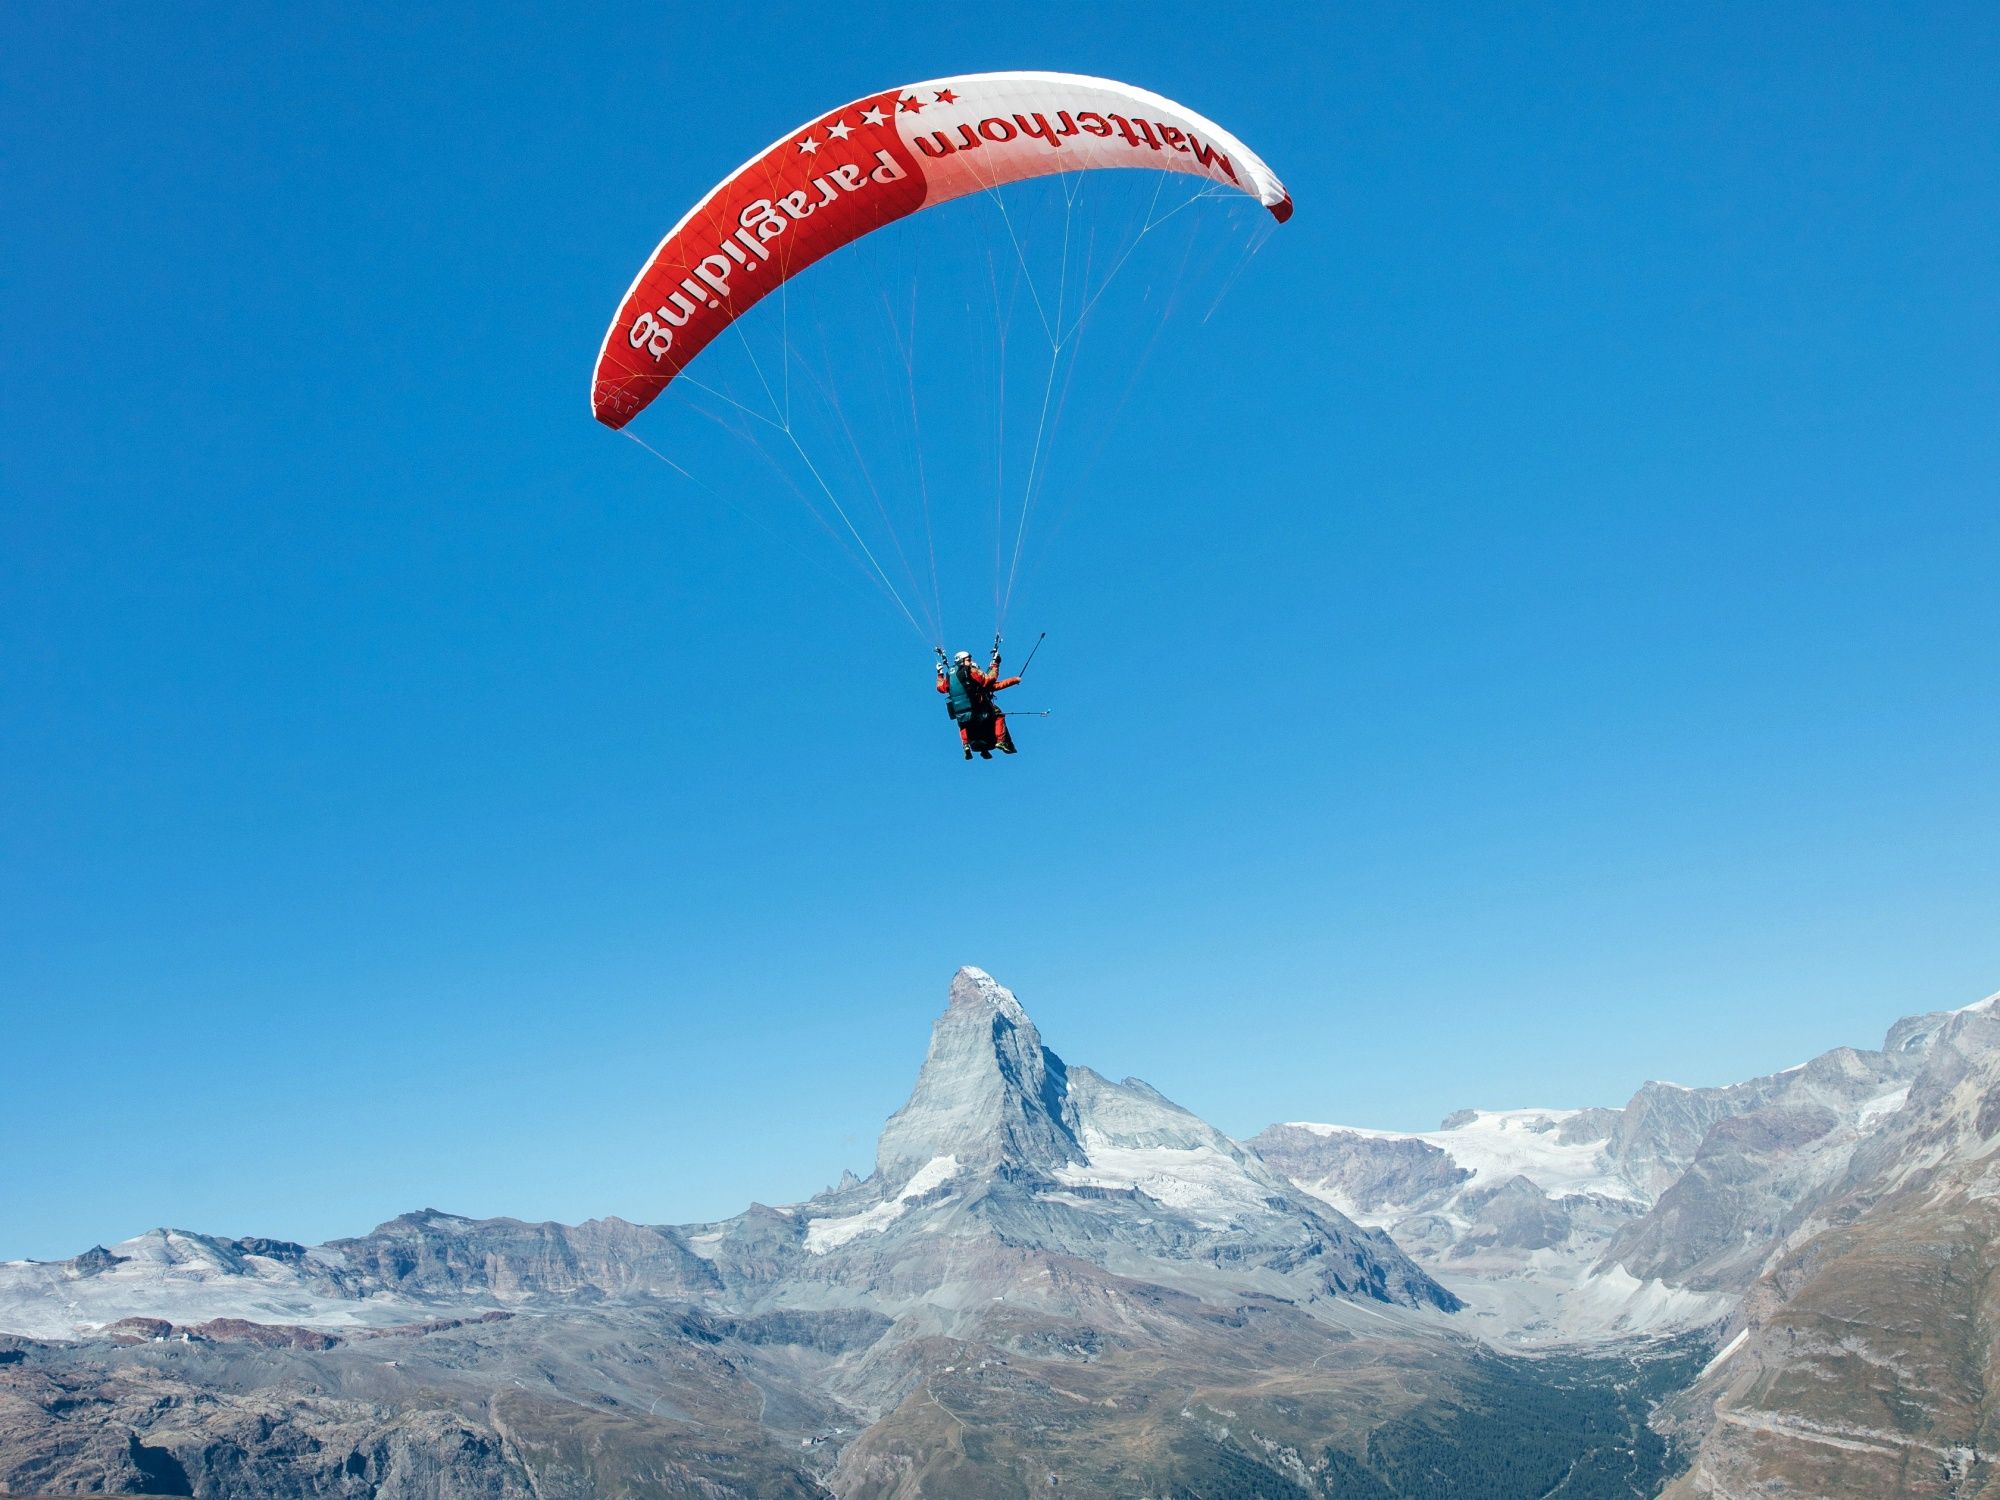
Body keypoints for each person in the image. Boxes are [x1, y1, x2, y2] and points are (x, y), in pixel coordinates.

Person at [937, 648, 1020, 759]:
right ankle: (1001, 741)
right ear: (962, 661)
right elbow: (990, 681)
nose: (970, 662)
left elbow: (941, 688)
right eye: (968, 659)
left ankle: (967, 745)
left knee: (963, 722)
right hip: (978, 709)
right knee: (998, 715)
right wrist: (996, 665)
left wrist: (940, 674)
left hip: (962, 713)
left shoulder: (951, 676)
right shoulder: (971, 671)